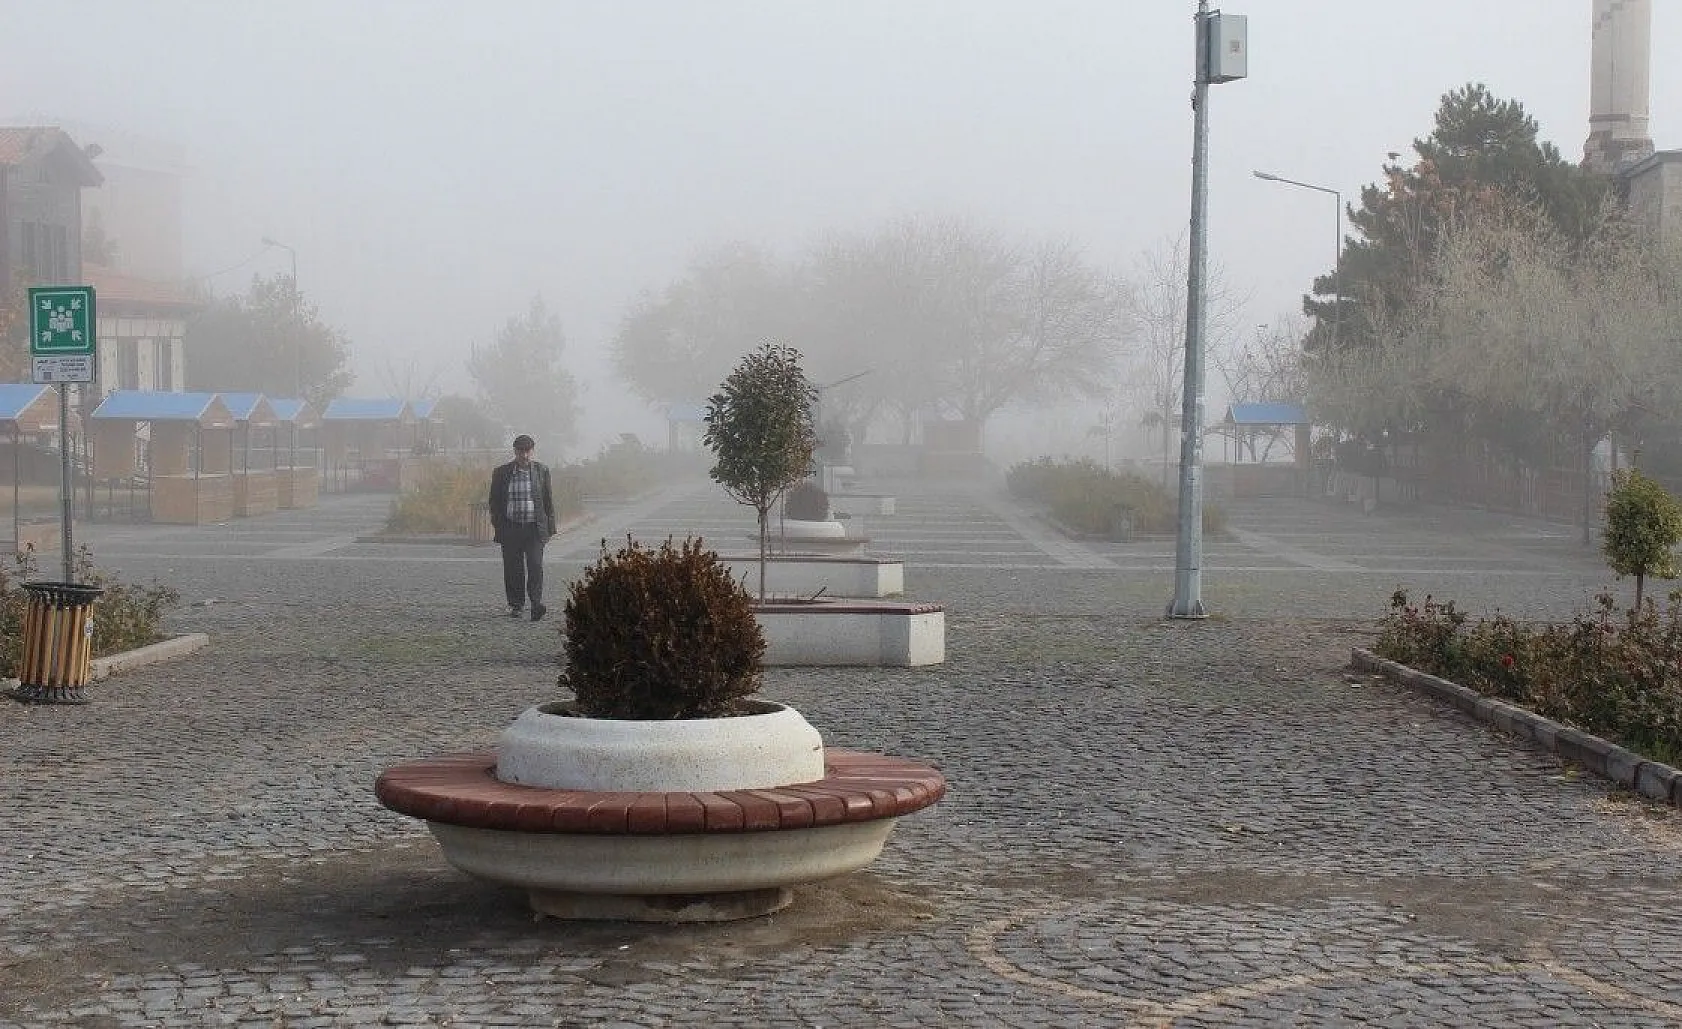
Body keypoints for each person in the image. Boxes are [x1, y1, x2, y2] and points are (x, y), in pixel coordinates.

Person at [488, 433, 557, 621]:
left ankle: (536, 604)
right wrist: (498, 525)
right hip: (510, 528)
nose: (524, 456)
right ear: (515, 452)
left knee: (535, 565)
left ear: (532, 451)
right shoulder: (501, 473)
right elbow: (494, 502)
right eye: (521, 452)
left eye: (528, 451)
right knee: (513, 568)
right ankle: (516, 605)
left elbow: (548, 502)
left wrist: (549, 529)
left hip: (534, 529)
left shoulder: (542, 471)